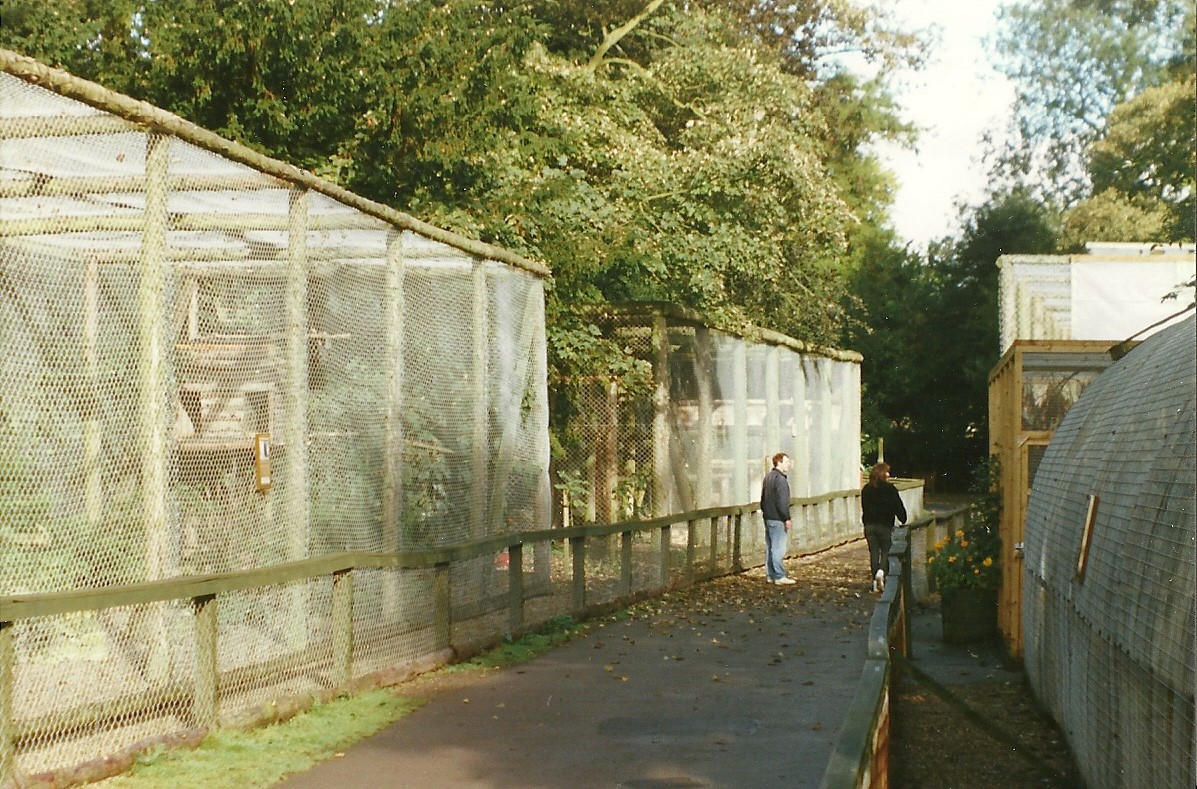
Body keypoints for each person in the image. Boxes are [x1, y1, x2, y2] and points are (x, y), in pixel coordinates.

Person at [861, 461, 907, 592]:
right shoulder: (889, 489)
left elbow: (864, 507)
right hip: (884, 525)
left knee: (873, 552)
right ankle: (881, 572)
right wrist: (903, 519)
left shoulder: (866, 489)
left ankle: (875, 581)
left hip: (869, 525)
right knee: (886, 550)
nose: (889, 474)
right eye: (887, 472)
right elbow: (897, 506)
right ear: (883, 474)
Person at [760, 452, 796, 585]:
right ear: (779, 463)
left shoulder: (768, 477)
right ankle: (779, 575)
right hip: (777, 517)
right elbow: (782, 501)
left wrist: (765, 513)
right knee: (778, 547)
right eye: (786, 462)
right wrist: (786, 517)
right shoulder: (780, 480)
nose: (789, 465)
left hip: (768, 517)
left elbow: (763, 500)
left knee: (770, 547)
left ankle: (770, 574)